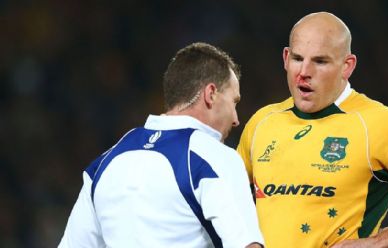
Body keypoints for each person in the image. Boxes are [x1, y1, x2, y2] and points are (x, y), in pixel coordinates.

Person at [236, 12, 388, 247]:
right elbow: (224, 200)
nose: (304, 72)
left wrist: (380, 242)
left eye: (320, 61)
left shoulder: (381, 125)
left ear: (347, 66)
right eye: (298, 58)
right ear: (286, 58)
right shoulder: (263, 122)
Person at [59, 43, 264, 248]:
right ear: (211, 94)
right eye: (234, 102)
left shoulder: (103, 165)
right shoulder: (216, 158)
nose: (236, 119)